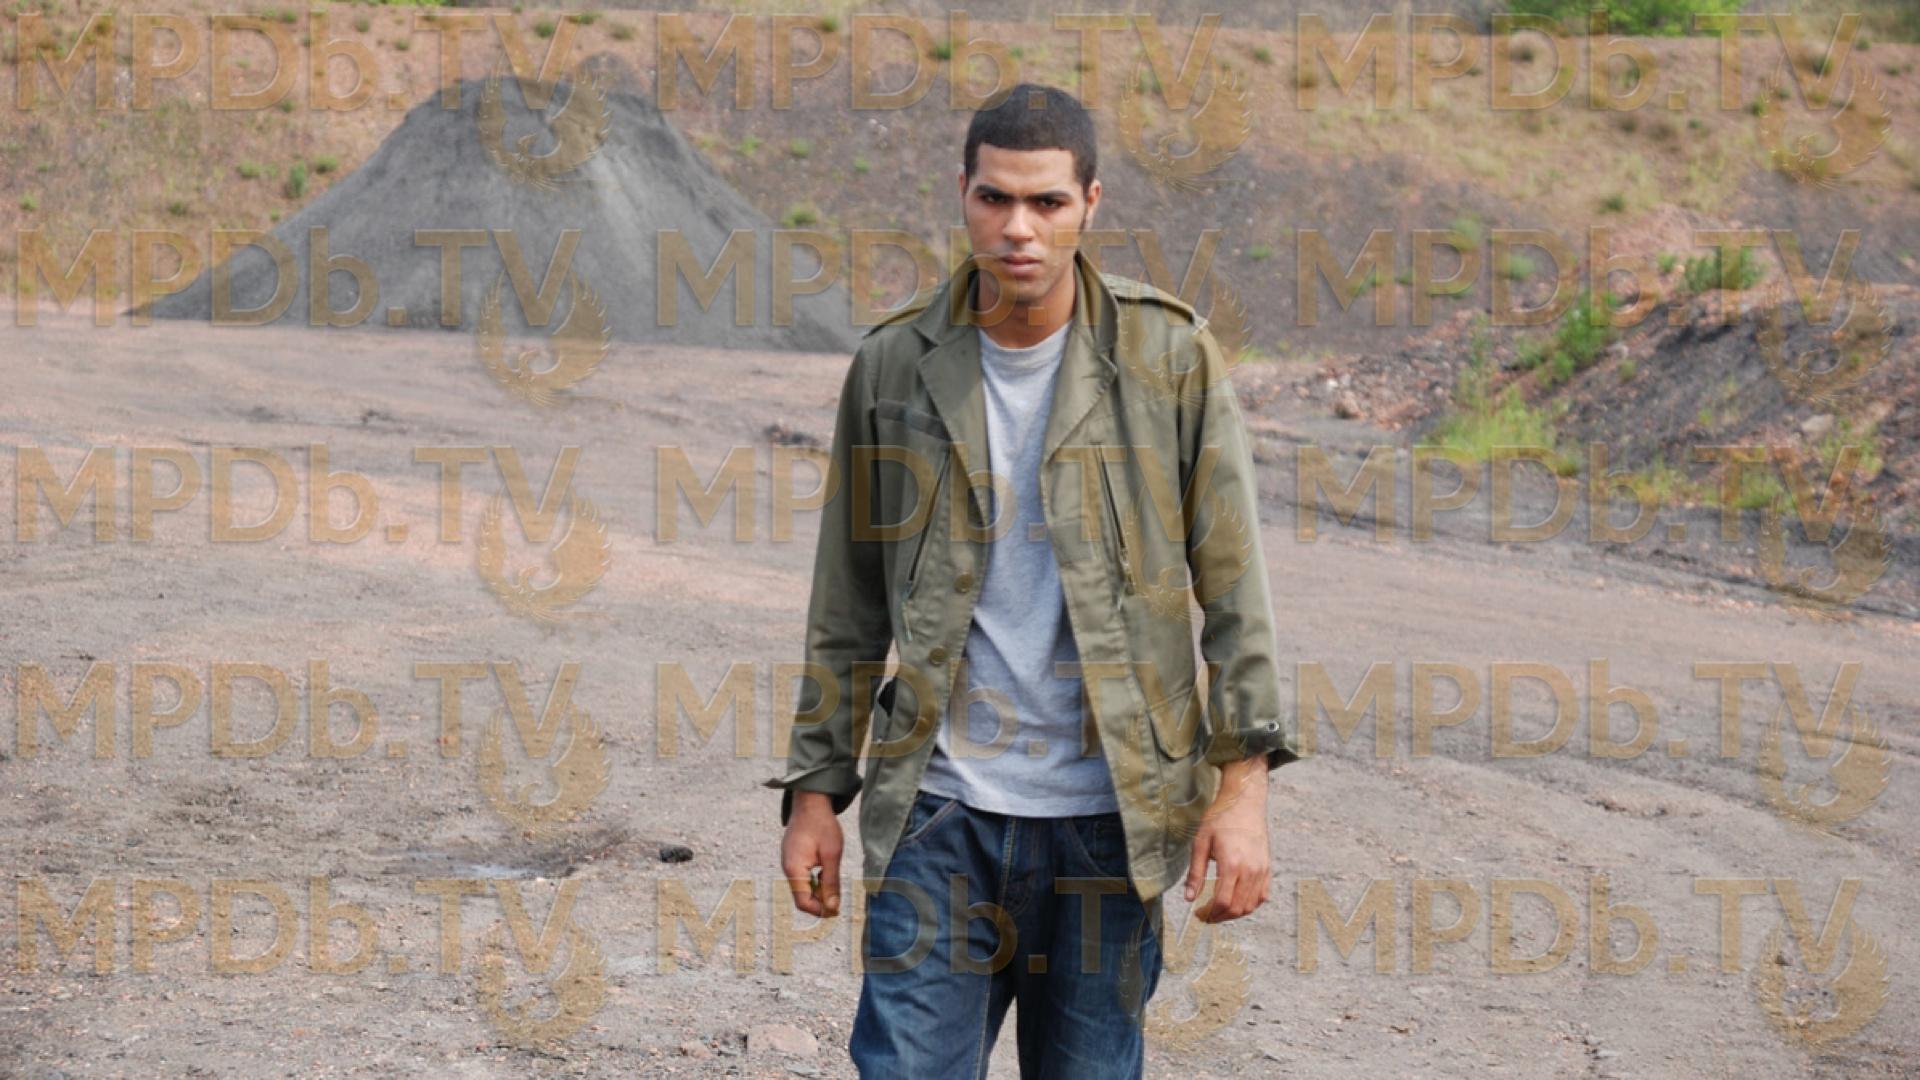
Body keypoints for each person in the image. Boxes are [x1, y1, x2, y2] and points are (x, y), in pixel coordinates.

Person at [767, 82, 1299, 1078]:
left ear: (1090, 203)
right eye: (996, 198)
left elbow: (1236, 593)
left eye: (1047, 201)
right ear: (963, 195)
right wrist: (814, 793)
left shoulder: (1169, 358)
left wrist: (1243, 792)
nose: (1019, 228)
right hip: (939, 817)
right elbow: (847, 602)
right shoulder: (893, 366)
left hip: (1110, 823)